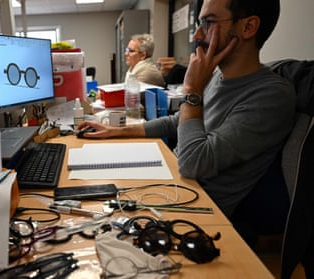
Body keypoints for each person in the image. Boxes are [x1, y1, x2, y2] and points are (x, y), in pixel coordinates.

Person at [79, 0, 296, 245]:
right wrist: (115, 131)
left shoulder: (271, 95)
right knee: (90, 202)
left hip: (201, 211)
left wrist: (192, 89)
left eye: (209, 22)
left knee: (95, 233)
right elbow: (177, 121)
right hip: (174, 183)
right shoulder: (217, 77)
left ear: (248, 27)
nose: (198, 34)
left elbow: (194, 162)